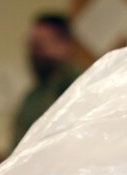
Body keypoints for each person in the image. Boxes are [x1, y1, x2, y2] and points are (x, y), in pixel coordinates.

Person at [11, 11, 82, 152]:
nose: (35, 54)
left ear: (65, 45)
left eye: (40, 46)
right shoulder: (34, 95)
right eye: (32, 45)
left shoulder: (80, 87)